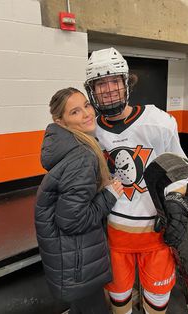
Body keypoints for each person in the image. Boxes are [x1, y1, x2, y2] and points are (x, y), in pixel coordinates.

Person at [85, 48, 188, 314]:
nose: (108, 89)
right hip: (113, 236)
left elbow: (179, 170)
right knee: (119, 303)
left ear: (126, 83)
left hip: (156, 234)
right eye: (100, 83)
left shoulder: (161, 122)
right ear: (92, 91)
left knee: (156, 303)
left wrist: (176, 200)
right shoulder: (90, 131)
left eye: (113, 81)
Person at [35, 87, 124, 314]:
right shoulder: (82, 156)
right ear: (61, 122)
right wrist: (110, 196)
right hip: (78, 264)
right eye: (75, 112)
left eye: (86, 105)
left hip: (70, 259)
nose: (86, 113)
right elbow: (72, 220)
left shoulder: (67, 147)